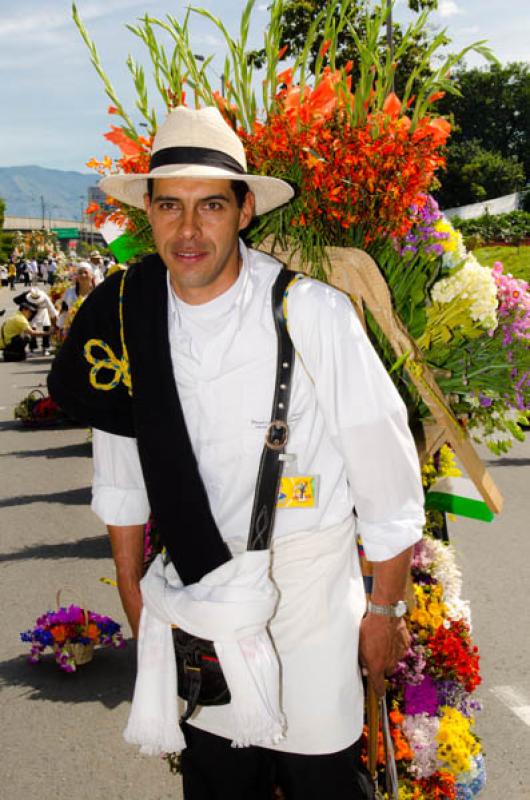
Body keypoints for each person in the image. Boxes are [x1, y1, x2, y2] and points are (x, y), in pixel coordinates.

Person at [49, 106, 424, 800]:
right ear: (150, 215)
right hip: (196, 605)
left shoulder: (311, 312)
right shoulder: (128, 318)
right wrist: (139, 606)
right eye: (170, 207)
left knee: (322, 785)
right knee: (218, 786)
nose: (188, 231)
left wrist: (385, 613)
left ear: (245, 209)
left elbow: (387, 482)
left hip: (308, 608)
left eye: (211, 206)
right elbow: (122, 479)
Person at [14, 287, 58, 356]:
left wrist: (55, 324)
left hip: (43, 311)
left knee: (47, 327)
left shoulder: (45, 298)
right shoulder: (27, 296)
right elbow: (16, 300)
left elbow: (52, 311)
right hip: (33, 313)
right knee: (32, 328)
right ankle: (32, 348)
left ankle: (45, 347)